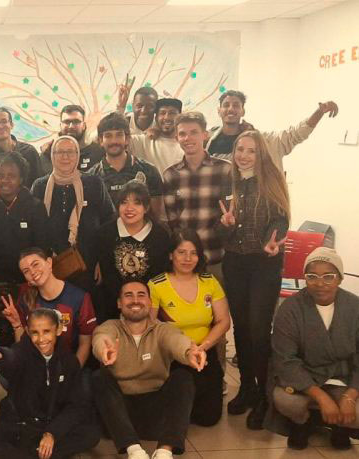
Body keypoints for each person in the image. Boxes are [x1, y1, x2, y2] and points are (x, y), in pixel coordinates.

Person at [218, 130, 290, 429]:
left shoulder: (271, 180)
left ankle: (264, 395)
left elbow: (281, 218)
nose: (244, 156)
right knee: (242, 328)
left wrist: (273, 239)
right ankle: (247, 387)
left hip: (264, 264)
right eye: (240, 149)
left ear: (261, 154)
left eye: (251, 151)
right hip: (235, 263)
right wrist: (225, 225)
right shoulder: (227, 182)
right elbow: (221, 227)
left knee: (260, 330)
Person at [92, 280, 206, 459]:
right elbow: (101, 338)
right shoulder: (110, 326)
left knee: (183, 377)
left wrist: (189, 352)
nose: (135, 300)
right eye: (128, 295)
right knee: (99, 377)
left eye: (141, 295)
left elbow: (176, 340)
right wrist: (104, 350)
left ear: (150, 302)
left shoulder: (163, 329)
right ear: (119, 303)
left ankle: (164, 451)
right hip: (119, 414)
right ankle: (134, 451)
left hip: (155, 413)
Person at [0, 308, 101, 458]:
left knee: (91, 434)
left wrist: (52, 433)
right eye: (35, 332)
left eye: (46, 331)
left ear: (58, 330)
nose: (41, 339)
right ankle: (38, 454)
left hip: (51, 424)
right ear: (27, 331)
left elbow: (76, 405)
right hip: (20, 426)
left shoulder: (69, 361)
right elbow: (12, 358)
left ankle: (30, 454)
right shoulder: (21, 351)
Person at [267, 247, 359, 450]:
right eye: (312, 276)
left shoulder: (355, 306)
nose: (320, 283)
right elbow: (285, 360)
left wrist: (351, 396)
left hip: (344, 378)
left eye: (328, 276)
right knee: (288, 402)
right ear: (304, 278)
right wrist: (321, 397)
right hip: (304, 379)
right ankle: (303, 422)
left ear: (340, 278)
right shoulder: (290, 308)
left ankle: (340, 426)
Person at [148, 229, 231, 427]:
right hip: (173, 356)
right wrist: (183, 348)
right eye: (181, 252)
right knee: (177, 408)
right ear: (171, 255)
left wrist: (204, 346)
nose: (187, 258)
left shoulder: (209, 281)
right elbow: (150, 325)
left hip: (204, 351)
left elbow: (223, 321)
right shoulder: (156, 285)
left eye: (193, 253)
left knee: (209, 418)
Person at [31, 135, 115, 291]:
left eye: (70, 152)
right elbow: (34, 227)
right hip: (52, 266)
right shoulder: (40, 186)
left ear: (77, 155)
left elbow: (109, 222)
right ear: (52, 155)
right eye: (60, 152)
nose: (65, 157)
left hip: (89, 265)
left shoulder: (93, 183)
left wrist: (102, 261)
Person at [163, 111, 232, 278]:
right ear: (177, 138)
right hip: (185, 263)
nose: (188, 138)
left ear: (205, 135)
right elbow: (173, 222)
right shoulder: (170, 175)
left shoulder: (225, 169)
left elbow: (230, 216)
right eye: (182, 134)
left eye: (194, 132)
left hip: (217, 257)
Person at [6, 248, 96, 369]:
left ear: (49, 262)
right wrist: (16, 324)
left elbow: (85, 344)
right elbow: (24, 347)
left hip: (70, 367)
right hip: (39, 369)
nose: (32, 272)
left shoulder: (79, 297)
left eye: (35, 264)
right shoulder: (25, 301)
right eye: (26, 271)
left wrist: (72, 373)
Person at [94, 181, 171, 323]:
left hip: (150, 307)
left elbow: (158, 277)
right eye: (124, 202)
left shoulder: (160, 236)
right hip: (112, 308)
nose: (129, 208)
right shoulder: (105, 234)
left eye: (137, 203)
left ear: (146, 207)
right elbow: (108, 276)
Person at [206, 90, 339, 169]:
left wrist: (319, 112)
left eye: (236, 105)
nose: (230, 109)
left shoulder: (262, 141)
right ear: (219, 110)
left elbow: (294, 135)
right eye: (226, 105)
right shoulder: (207, 140)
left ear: (243, 111)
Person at [0, 152, 50, 289]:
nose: (5, 180)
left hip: (30, 282)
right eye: (0, 175)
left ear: (21, 178)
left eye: (11, 176)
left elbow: (41, 248)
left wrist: (34, 281)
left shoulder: (35, 207)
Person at [89, 112, 164, 217]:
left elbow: (157, 216)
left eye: (119, 135)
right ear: (101, 140)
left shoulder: (149, 171)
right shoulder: (92, 177)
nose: (114, 141)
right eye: (108, 136)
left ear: (127, 139)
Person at [0, 106, 41, 194]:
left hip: (26, 201)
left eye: (4, 121)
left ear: (11, 125)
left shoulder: (29, 151)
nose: (0, 126)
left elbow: (38, 185)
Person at [39, 105, 104, 175]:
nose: (71, 126)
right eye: (66, 122)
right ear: (60, 125)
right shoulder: (48, 152)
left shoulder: (98, 152)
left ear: (84, 125)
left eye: (76, 122)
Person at [128, 98, 185, 176]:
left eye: (172, 113)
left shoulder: (187, 144)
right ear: (156, 118)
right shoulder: (143, 141)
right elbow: (116, 138)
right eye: (162, 113)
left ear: (180, 117)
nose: (167, 117)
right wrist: (121, 107)